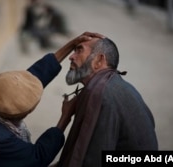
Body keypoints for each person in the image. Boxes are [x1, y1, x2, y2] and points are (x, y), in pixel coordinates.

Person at [0, 32, 103, 167]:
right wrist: (65, 117)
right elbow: (38, 158)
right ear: (18, 116)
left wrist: (71, 44)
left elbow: (32, 77)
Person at [56, 35, 158, 167]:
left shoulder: (99, 93)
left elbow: (89, 160)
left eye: (79, 50)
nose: (71, 56)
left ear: (98, 60)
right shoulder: (118, 85)